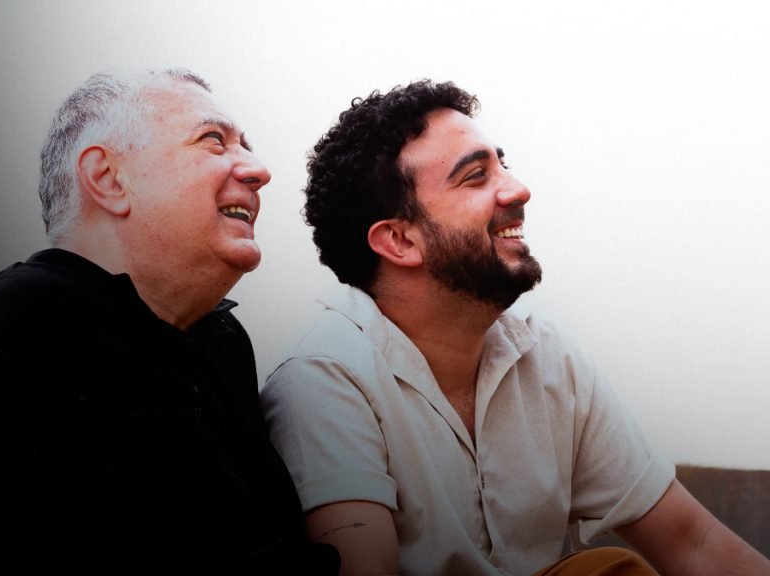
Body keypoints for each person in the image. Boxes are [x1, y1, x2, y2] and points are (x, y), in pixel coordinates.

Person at [0, 68, 339, 574]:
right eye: (213, 141)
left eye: (245, 144)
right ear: (108, 179)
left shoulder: (220, 340)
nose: (258, 170)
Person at [259, 79, 770, 575]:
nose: (519, 189)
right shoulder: (322, 381)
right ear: (400, 241)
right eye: (475, 176)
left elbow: (693, 544)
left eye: (502, 165)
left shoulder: (549, 359)